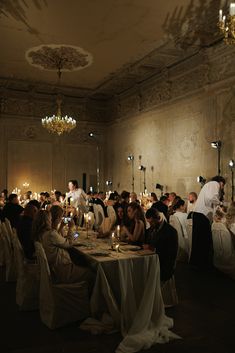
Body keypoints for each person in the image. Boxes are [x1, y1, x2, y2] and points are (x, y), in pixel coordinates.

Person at [32, 207, 95, 292]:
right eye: (50, 219)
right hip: (62, 271)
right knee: (93, 273)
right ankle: (85, 300)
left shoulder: (41, 234)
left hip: (54, 269)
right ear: (47, 221)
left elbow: (57, 240)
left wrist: (61, 227)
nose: (51, 220)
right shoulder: (51, 234)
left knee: (82, 261)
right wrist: (71, 228)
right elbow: (69, 244)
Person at [189, 175, 225, 269]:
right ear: (220, 181)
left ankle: (196, 263)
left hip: (198, 213)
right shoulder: (215, 184)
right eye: (223, 185)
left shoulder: (208, 185)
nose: (222, 187)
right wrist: (221, 204)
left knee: (197, 240)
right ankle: (203, 264)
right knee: (204, 240)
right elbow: (211, 198)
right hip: (203, 215)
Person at [144, 208, 178, 283]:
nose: (150, 225)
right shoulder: (151, 229)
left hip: (163, 266)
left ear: (158, 218)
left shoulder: (170, 231)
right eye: (149, 222)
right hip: (151, 263)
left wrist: (153, 248)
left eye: (152, 222)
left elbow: (171, 253)